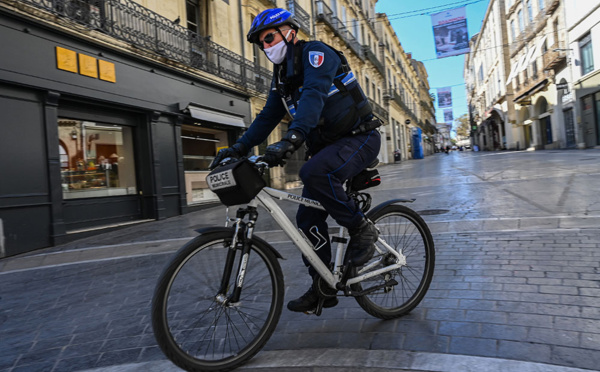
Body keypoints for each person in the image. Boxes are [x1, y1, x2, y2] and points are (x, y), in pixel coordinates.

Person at [209, 8, 381, 313]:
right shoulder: (282, 78)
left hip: (360, 138)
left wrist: (291, 138)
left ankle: (362, 229)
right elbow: (267, 116)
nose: (266, 46)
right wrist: (237, 149)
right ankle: (323, 285)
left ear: (290, 32)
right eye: (261, 43)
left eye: (270, 37)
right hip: (329, 147)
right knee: (306, 219)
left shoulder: (317, 53)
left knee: (312, 170)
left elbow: (314, 96)